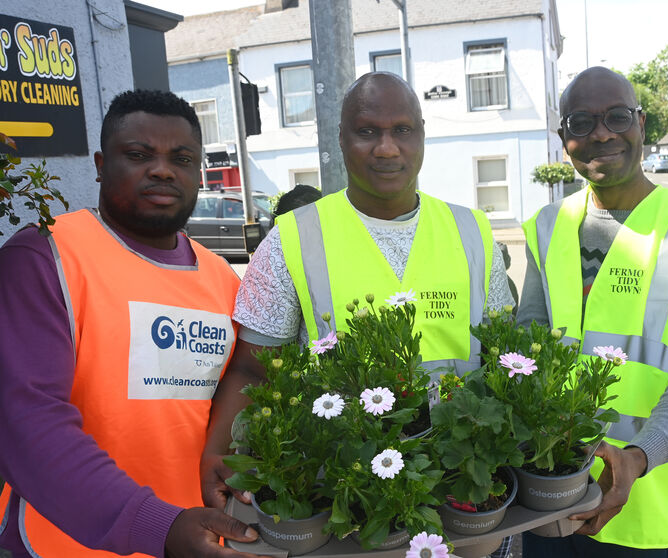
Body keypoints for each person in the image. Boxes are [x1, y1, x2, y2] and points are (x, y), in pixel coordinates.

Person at [200, 71, 516, 557]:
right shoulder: (292, 239)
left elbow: (502, 356)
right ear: (340, 140)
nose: (387, 148)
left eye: (402, 130)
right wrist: (218, 452)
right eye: (367, 131)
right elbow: (252, 367)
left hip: (460, 499)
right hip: (347, 500)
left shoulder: (472, 232)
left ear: (422, 136)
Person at [0, 90, 264, 557]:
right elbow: (27, 422)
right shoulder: (46, 257)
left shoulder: (222, 279)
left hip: (193, 538)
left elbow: (233, 404)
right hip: (63, 544)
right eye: (139, 155)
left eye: (181, 159)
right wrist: (157, 527)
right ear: (101, 164)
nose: (163, 169)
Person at [517, 67, 668, 557]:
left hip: (645, 501)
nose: (601, 133)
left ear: (641, 124)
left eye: (616, 117)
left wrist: (638, 457)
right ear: (564, 140)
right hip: (549, 500)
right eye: (581, 123)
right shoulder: (548, 225)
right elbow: (526, 349)